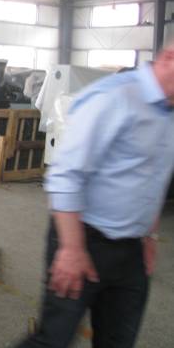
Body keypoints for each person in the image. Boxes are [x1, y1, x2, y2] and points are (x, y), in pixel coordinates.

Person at [16, 41, 174, 348]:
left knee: (118, 341)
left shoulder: (168, 111)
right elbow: (65, 176)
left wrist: (148, 236)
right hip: (84, 240)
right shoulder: (114, 97)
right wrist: (71, 249)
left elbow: (153, 177)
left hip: (131, 251)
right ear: (169, 58)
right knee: (53, 340)